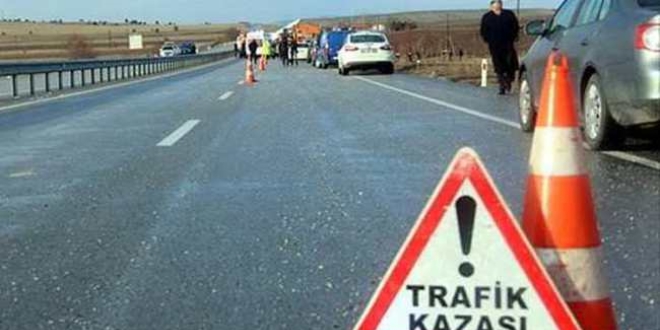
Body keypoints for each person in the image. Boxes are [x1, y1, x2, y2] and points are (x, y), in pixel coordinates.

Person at [480, 0, 519, 95]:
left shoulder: (508, 14)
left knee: (510, 63)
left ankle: (509, 80)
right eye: (495, 6)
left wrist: (514, 37)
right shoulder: (487, 17)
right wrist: (487, 39)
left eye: (498, 5)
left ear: (501, 5)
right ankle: (502, 86)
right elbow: (483, 30)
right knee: (498, 66)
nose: (497, 7)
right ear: (491, 7)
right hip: (494, 45)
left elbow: (515, 26)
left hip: (508, 44)